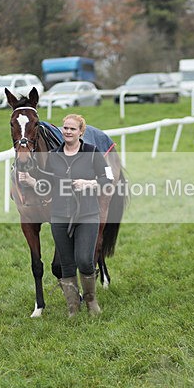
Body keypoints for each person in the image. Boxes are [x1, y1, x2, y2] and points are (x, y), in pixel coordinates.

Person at [19, 113, 113, 316]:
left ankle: (91, 301)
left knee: (84, 260)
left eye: (72, 129)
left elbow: (108, 179)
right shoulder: (54, 156)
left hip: (87, 215)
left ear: (81, 132)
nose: (67, 132)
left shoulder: (93, 151)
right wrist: (30, 181)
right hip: (60, 216)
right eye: (65, 128)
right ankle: (73, 308)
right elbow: (48, 184)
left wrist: (89, 183)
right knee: (66, 264)